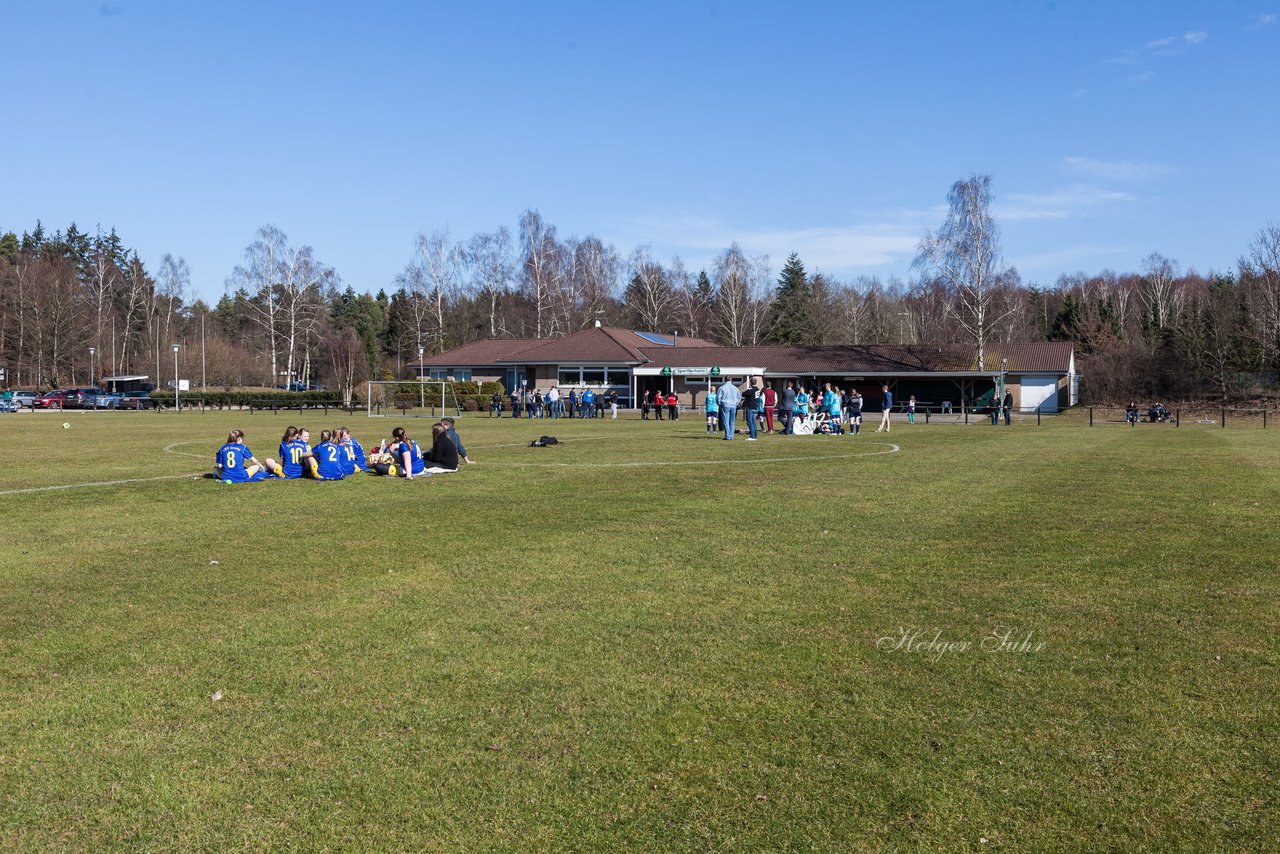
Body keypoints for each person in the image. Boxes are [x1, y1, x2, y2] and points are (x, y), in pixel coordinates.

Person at [214, 430, 282, 482]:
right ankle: (262, 471)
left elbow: (220, 465)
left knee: (216, 469)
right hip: (242, 476)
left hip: (226, 477)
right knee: (256, 467)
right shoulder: (242, 447)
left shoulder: (222, 448)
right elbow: (254, 460)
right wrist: (260, 466)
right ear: (239, 439)